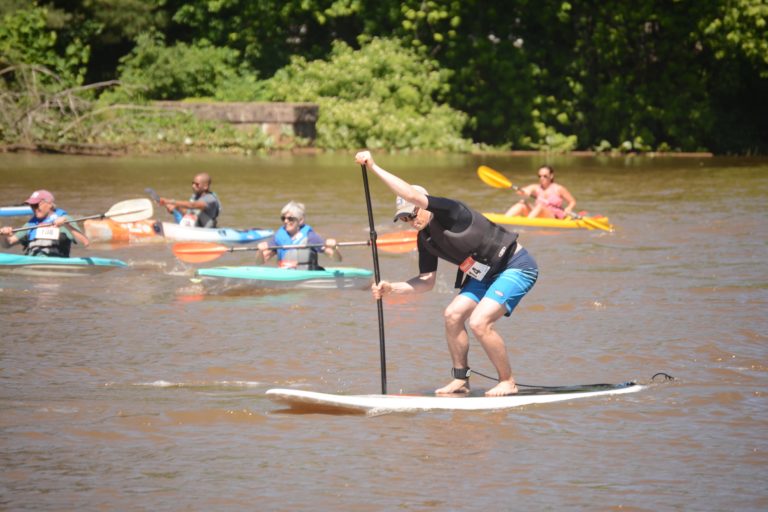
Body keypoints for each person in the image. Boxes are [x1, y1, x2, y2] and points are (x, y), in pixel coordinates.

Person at [355, 150, 539, 397]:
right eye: (405, 218)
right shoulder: (425, 240)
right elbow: (426, 282)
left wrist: (373, 167)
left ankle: (508, 381)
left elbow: (410, 194)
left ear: (424, 203)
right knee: (452, 315)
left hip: (514, 265)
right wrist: (392, 288)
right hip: (484, 275)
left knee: (479, 322)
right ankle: (461, 380)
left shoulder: (451, 211)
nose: (411, 221)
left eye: (413, 213)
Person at [0, 189, 89, 257]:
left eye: (36, 205)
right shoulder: (31, 224)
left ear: (49, 204)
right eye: (32, 206)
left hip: (57, 265)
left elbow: (85, 242)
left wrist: (67, 224)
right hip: (33, 265)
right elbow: (7, 244)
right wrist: (4, 235)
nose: (34, 209)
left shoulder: (65, 219)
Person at [256, 201, 341, 270]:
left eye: (290, 219)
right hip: (285, 274)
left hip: (306, 275)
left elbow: (337, 260)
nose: (286, 221)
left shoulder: (311, 237)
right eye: (283, 218)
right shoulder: (278, 237)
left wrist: (334, 248)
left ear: (300, 220)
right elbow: (259, 262)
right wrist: (260, 251)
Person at [504, 165, 576, 219]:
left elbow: (572, 201)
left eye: (545, 176)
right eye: (540, 176)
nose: (542, 178)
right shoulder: (535, 187)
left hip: (554, 216)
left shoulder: (559, 188)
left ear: (551, 176)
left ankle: (526, 224)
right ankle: (504, 220)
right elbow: (519, 192)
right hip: (538, 214)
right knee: (522, 203)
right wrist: (525, 191)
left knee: (540, 206)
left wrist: (569, 208)